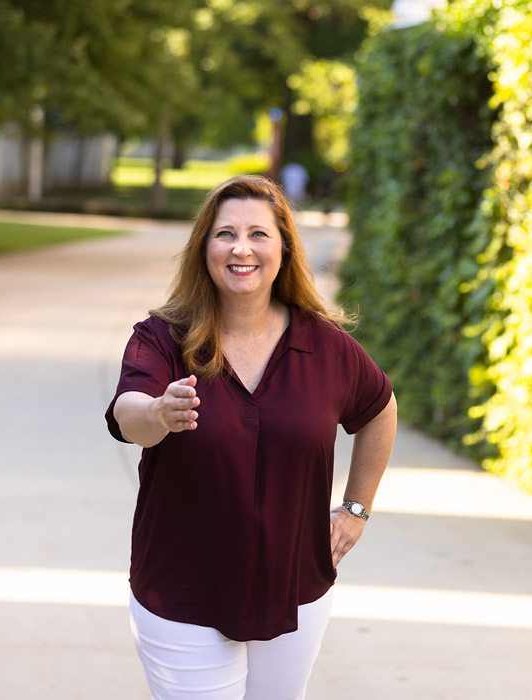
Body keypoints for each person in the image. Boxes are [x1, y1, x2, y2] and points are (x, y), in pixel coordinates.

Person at [105, 174, 397, 699]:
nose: (242, 248)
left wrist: (356, 509)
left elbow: (380, 407)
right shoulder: (161, 338)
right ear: (204, 248)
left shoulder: (324, 345)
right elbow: (128, 414)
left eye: (259, 234)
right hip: (183, 589)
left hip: (296, 588)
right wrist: (159, 411)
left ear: (283, 248)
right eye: (226, 234)